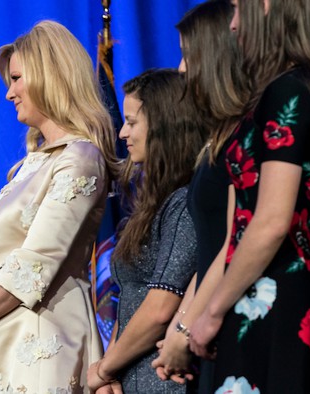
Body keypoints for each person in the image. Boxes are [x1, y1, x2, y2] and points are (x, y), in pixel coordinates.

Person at [0, 20, 119, 393]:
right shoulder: (33, 165)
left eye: (17, 78)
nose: (9, 93)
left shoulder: (80, 158)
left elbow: (32, 267)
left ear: (49, 76)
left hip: (41, 351)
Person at [188, 0, 310, 392]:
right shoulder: (299, 88)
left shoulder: (287, 92)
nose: (233, 25)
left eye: (239, 9)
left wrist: (212, 311)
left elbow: (272, 221)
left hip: (274, 308)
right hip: (272, 301)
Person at [87, 69, 206, 394]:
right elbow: (129, 300)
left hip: (164, 380)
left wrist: (102, 369)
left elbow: (159, 308)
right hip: (131, 378)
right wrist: (110, 374)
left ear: (163, 124)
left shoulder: (183, 203)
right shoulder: (153, 205)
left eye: (132, 121)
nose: (122, 132)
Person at [150, 1, 249, 391]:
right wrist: (181, 328)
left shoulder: (245, 138)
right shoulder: (217, 140)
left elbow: (232, 243)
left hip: (231, 316)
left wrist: (186, 325)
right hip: (205, 325)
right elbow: (210, 252)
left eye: (188, 56)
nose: (181, 69)